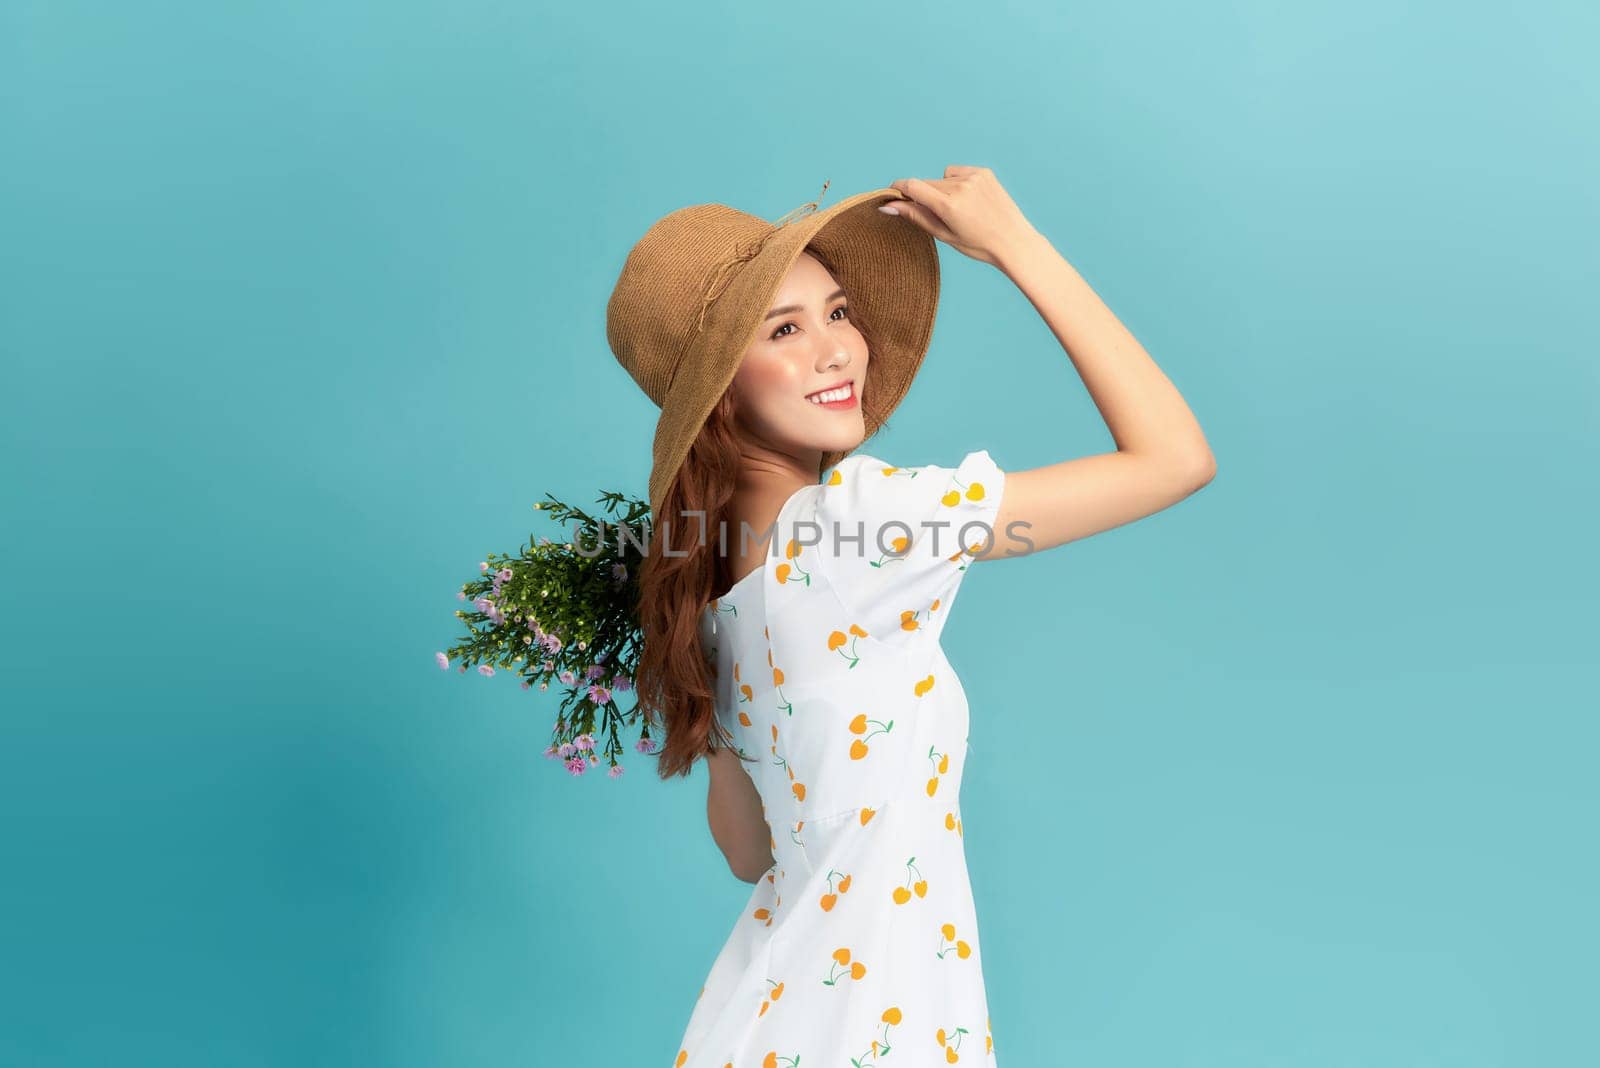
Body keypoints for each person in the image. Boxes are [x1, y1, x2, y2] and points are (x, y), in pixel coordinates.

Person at [605, 168, 1215, 1065]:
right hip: (874, 1022)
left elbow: (747, 851)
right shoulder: (860, 528)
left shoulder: (716, 597)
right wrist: (1017, 245)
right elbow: (1174, 456)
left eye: (838, 312)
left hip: (774, 1018)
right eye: (784, 330)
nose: (837, 350)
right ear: (721, 394)